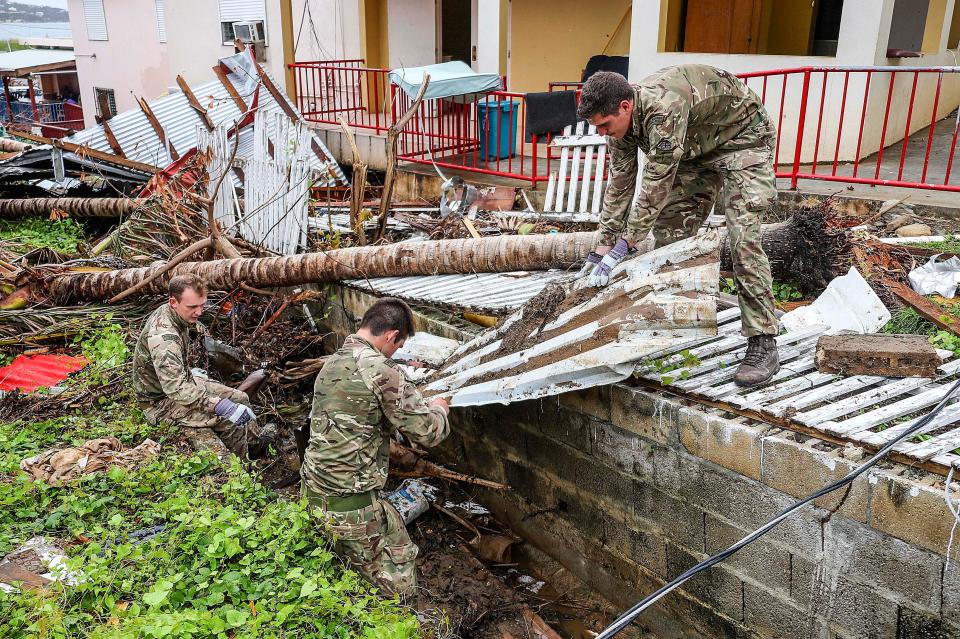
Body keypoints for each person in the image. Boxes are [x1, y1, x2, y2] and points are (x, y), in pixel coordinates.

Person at [575, 66, 780, 386]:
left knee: (743, 239)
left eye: (604, 124)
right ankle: (675, 321)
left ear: (625, 107)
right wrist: (600, 249)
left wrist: (623, 246)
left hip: (743, 140)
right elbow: (620, 184)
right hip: (695, 149)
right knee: (670, 236)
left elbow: (655, 184)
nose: (602, 132)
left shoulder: (663, 108)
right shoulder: (619, 128)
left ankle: (763, 340)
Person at [301, 297, 451, 597]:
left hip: (312, 494)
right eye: (398, 346)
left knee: (380, 540)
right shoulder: (381, 370)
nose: (396, 353)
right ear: (391, 335)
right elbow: (430, 433)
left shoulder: (332, 362)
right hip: (349, 509)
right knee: (400, 589)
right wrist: (439, 408)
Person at [132, 274, 270, 457]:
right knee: (227, 416)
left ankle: (254, 444)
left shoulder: (176, 314)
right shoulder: (163, 338)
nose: (199, 312)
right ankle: (242, 466)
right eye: (192, 307)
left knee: (240, 397)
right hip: (159, 402)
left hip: (182, 381)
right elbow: (175, 388)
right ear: (173, 302)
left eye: (202, 305)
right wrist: (221, 406)